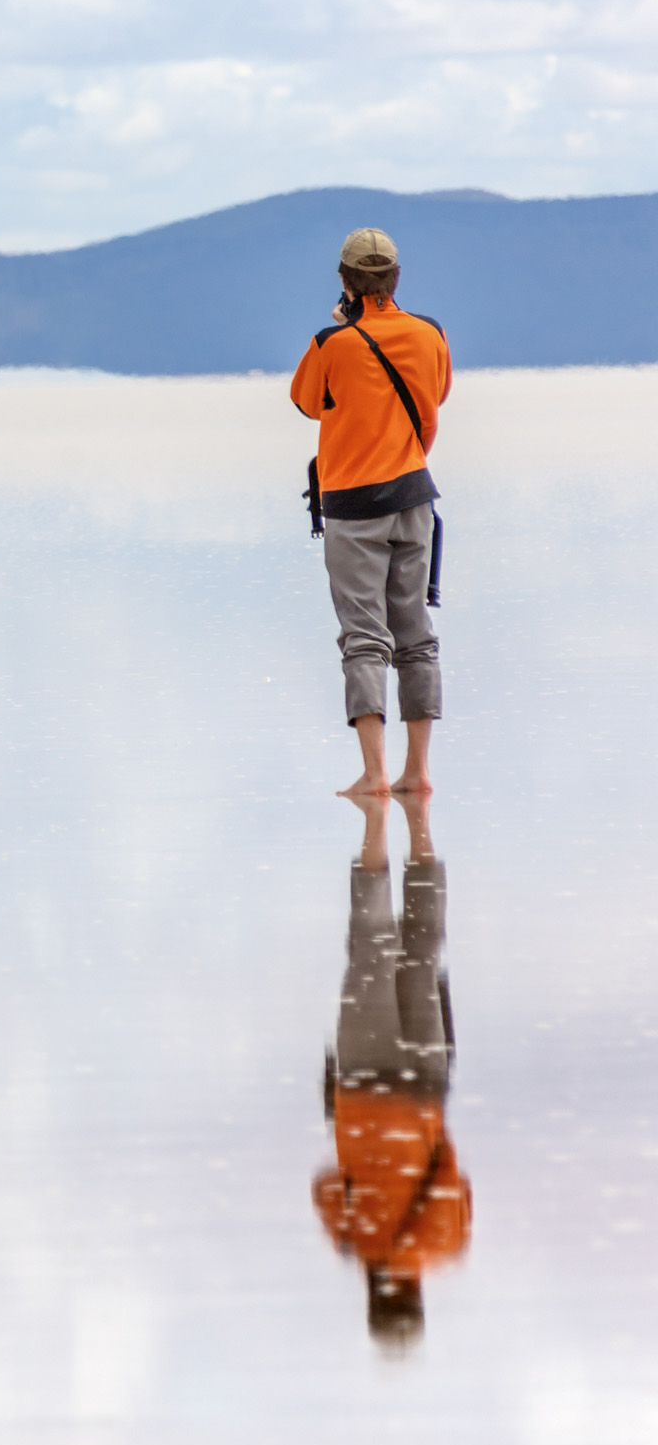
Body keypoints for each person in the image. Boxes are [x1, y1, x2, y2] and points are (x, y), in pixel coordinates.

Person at [291, 228, 450, 797]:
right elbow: (437, 395)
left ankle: (375, 774)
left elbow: (307, 402)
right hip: (415, 497)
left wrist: (340, 327)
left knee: (364, 638)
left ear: (345, 281)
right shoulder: (430, 334)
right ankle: (419, 772)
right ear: (396, 279)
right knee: (415, 636)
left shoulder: (332, 343)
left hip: (355, 507)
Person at [314, 789, 469, 1353]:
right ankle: (380, 829)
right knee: (369, 948)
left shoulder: (445, 1245)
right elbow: (325, 1185)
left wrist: (428, 1126)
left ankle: (421, 838)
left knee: (423, 954)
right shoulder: (353, 1242)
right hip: (358, 1087)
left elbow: (453, 1178)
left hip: (424, 1088)